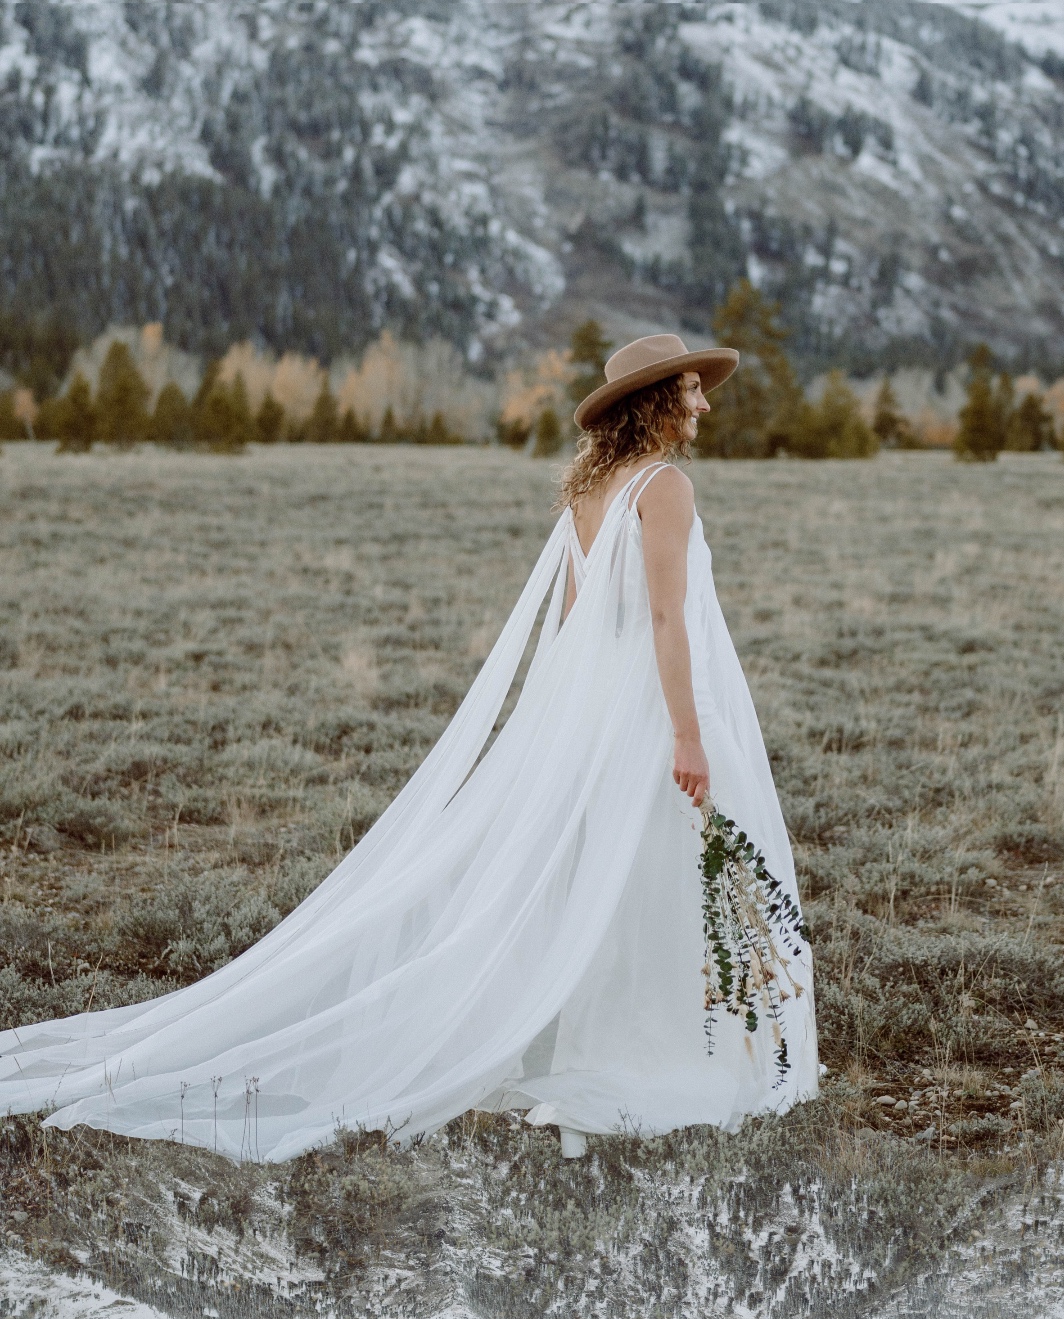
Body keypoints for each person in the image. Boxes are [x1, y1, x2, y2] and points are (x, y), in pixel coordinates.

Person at [0, 334, 818, 1163]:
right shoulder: (665, 487)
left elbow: (576, 631)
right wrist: (686, 732)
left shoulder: (592, 490)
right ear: (656, 401)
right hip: (652, 713)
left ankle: (617, 1041)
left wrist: (571, 733)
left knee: (620, 877)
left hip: (607, 713)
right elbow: (667, 619)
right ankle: (665, 1053)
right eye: (690, 390)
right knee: (662, 878)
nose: (704, 404)